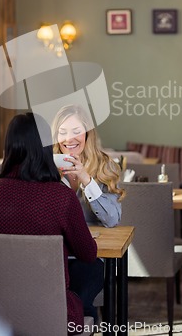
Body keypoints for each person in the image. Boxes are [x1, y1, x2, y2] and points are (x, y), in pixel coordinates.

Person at [0, 112, 97, 333]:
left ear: (9, 147)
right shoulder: (61, 197)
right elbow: (88, 253)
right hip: (52, 313)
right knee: (89, 291)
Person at [52, 104, 125, 321]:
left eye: (76, 131)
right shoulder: (46, 165)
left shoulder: (105, 165)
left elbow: (112, 219)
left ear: (88, 134)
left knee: (80, 294)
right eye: (62, 132)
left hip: (87, 258)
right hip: (52, 256)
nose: (69, 139)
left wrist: (86, 179)